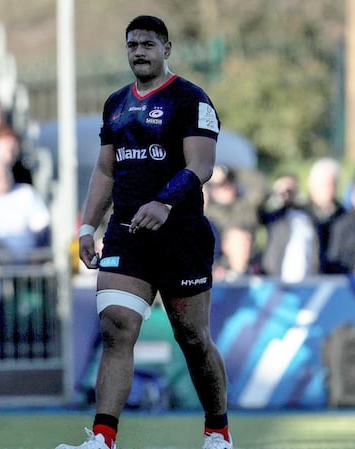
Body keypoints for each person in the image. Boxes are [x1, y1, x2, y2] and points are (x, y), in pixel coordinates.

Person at [55, 16, 232, 449]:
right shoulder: (116, 103)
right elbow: (104, 170)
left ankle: (218, 430)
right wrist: (85, 227)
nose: (139, 51)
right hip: (127, 235)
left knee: (193, 339)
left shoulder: (191, 99)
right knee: (117, 327)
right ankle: (102, 438)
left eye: (148, 44)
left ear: (166, 49)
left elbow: (201, 166)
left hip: (181, 237)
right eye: (132, 44)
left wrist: (164, 202)